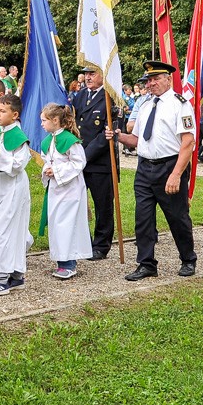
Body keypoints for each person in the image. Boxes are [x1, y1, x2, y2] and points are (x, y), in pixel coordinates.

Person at [106, 61, 197, 280]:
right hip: (145, 167)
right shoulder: (145, 105)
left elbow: (188, 142)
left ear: (168, 79)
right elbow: (137, 139)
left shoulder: (180, 104)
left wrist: (176, 174)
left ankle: (188, 259)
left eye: (156, 79)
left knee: (177, 217)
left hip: (169, 166)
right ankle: (146, 264)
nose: (151, 83)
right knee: (143, 218)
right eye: (149, 80)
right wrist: (118, 136)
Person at [0, 93, 32, 296]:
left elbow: (18, 165)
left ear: (15, 114)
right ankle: (16, 275)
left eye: (3, 111)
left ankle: (0, 278)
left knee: (5, 230)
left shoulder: (19, 137)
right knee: (2, 229)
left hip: (13, 187)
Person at [70, 67, 120, 260]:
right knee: (79, 202)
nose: (88, 77)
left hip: (99, 161)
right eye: (87, 74)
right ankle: (82, 242)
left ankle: (101, 245)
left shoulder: (110, 97)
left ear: (103, 76)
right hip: (78, 160)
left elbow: (107, 132)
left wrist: (83, 155)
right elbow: (73, 125)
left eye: (93, 74)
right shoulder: (80, 96)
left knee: (103, 205)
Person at [40, 103, 93, 279]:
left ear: (55, 120)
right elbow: (47, 159)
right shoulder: (49, 140)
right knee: (56, 223)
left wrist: (57, 171)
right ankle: (61, 260)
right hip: (56, 189)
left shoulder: (70, 140)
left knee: (67, 224)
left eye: (44, 121)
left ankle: (69, 263)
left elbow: (79, 162)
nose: (41, 124)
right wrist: (48, 169)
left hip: (70, 189)